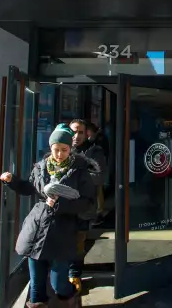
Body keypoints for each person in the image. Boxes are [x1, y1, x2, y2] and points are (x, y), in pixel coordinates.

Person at [0, 124, 95, 308]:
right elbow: (29, 188)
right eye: (56, 149)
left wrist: (61, 204)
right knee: (36, 286)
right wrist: (13, 182)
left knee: (59, 283)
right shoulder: (40, 167)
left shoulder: (80, 171)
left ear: (70, 149)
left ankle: (69, 297)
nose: (59, 154)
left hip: (62, 232)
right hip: (37, 229)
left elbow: (88, 202)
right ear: (50, 148)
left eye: (64, 150)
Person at [67, 119, 106, 292]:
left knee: (78, 243)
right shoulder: (61, 150)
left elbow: (97, 177)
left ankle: (74, 274)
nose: (77, 136)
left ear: (87, 134)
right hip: (62, 207)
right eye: (74, 131)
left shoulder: (94, 152)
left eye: (81, 132)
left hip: (83, 207)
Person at [86, 122, 109, 226]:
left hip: (96, 173)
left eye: (88, 131)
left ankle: (99, 213)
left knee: (98, 191)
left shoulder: (97, 144)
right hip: (94, 173)